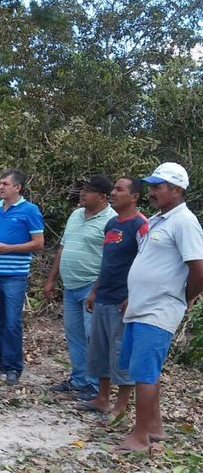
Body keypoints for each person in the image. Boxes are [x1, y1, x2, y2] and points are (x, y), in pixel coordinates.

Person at [116, 162, 203, 452]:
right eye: (151, 186)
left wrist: (183, 297)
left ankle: (140, 436)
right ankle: (154, 426)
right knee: (142, 369)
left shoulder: (184, 222)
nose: (152, 191)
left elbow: (199, 269)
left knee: (145, 373)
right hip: (141, 306)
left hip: (159, 309)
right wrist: (134, 295)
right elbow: (152, 264)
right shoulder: (157, 220)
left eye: (158, 186)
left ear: (176, 190)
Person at [81, 176, 148, 419]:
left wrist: (134, 295)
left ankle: (121, 406)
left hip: (123, 300)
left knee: (120, 352)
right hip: (103, 296)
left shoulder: (141, 226)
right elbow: (107, 262)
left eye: (119, 189)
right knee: (100, 349)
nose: (113, 193)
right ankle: (102, 398)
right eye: (113, 189)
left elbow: (147, 263)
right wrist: (94, 290)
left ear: (134, 196)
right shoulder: (111, 223)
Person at [43, 175, 115, 400]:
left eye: (89, 190)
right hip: (70, 286)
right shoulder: (76, 215)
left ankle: (94, 385)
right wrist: (51, 279)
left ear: (102, 197)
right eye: (83, 188)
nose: (82, 193)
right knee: (74, 335)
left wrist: (96, 289)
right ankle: (78, 379)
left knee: (93, 337)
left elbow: (111, 259)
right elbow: (63, 247)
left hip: (92, 286)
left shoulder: (111, 220)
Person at [0, 169, 44, 385]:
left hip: (15, 275)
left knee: (13, 322)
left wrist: (10, 248)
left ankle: (13, 366)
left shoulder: (30, 210)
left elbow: (38, 243)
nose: (0, 187)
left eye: (5, 184)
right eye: (0, 183)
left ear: (17, 187)